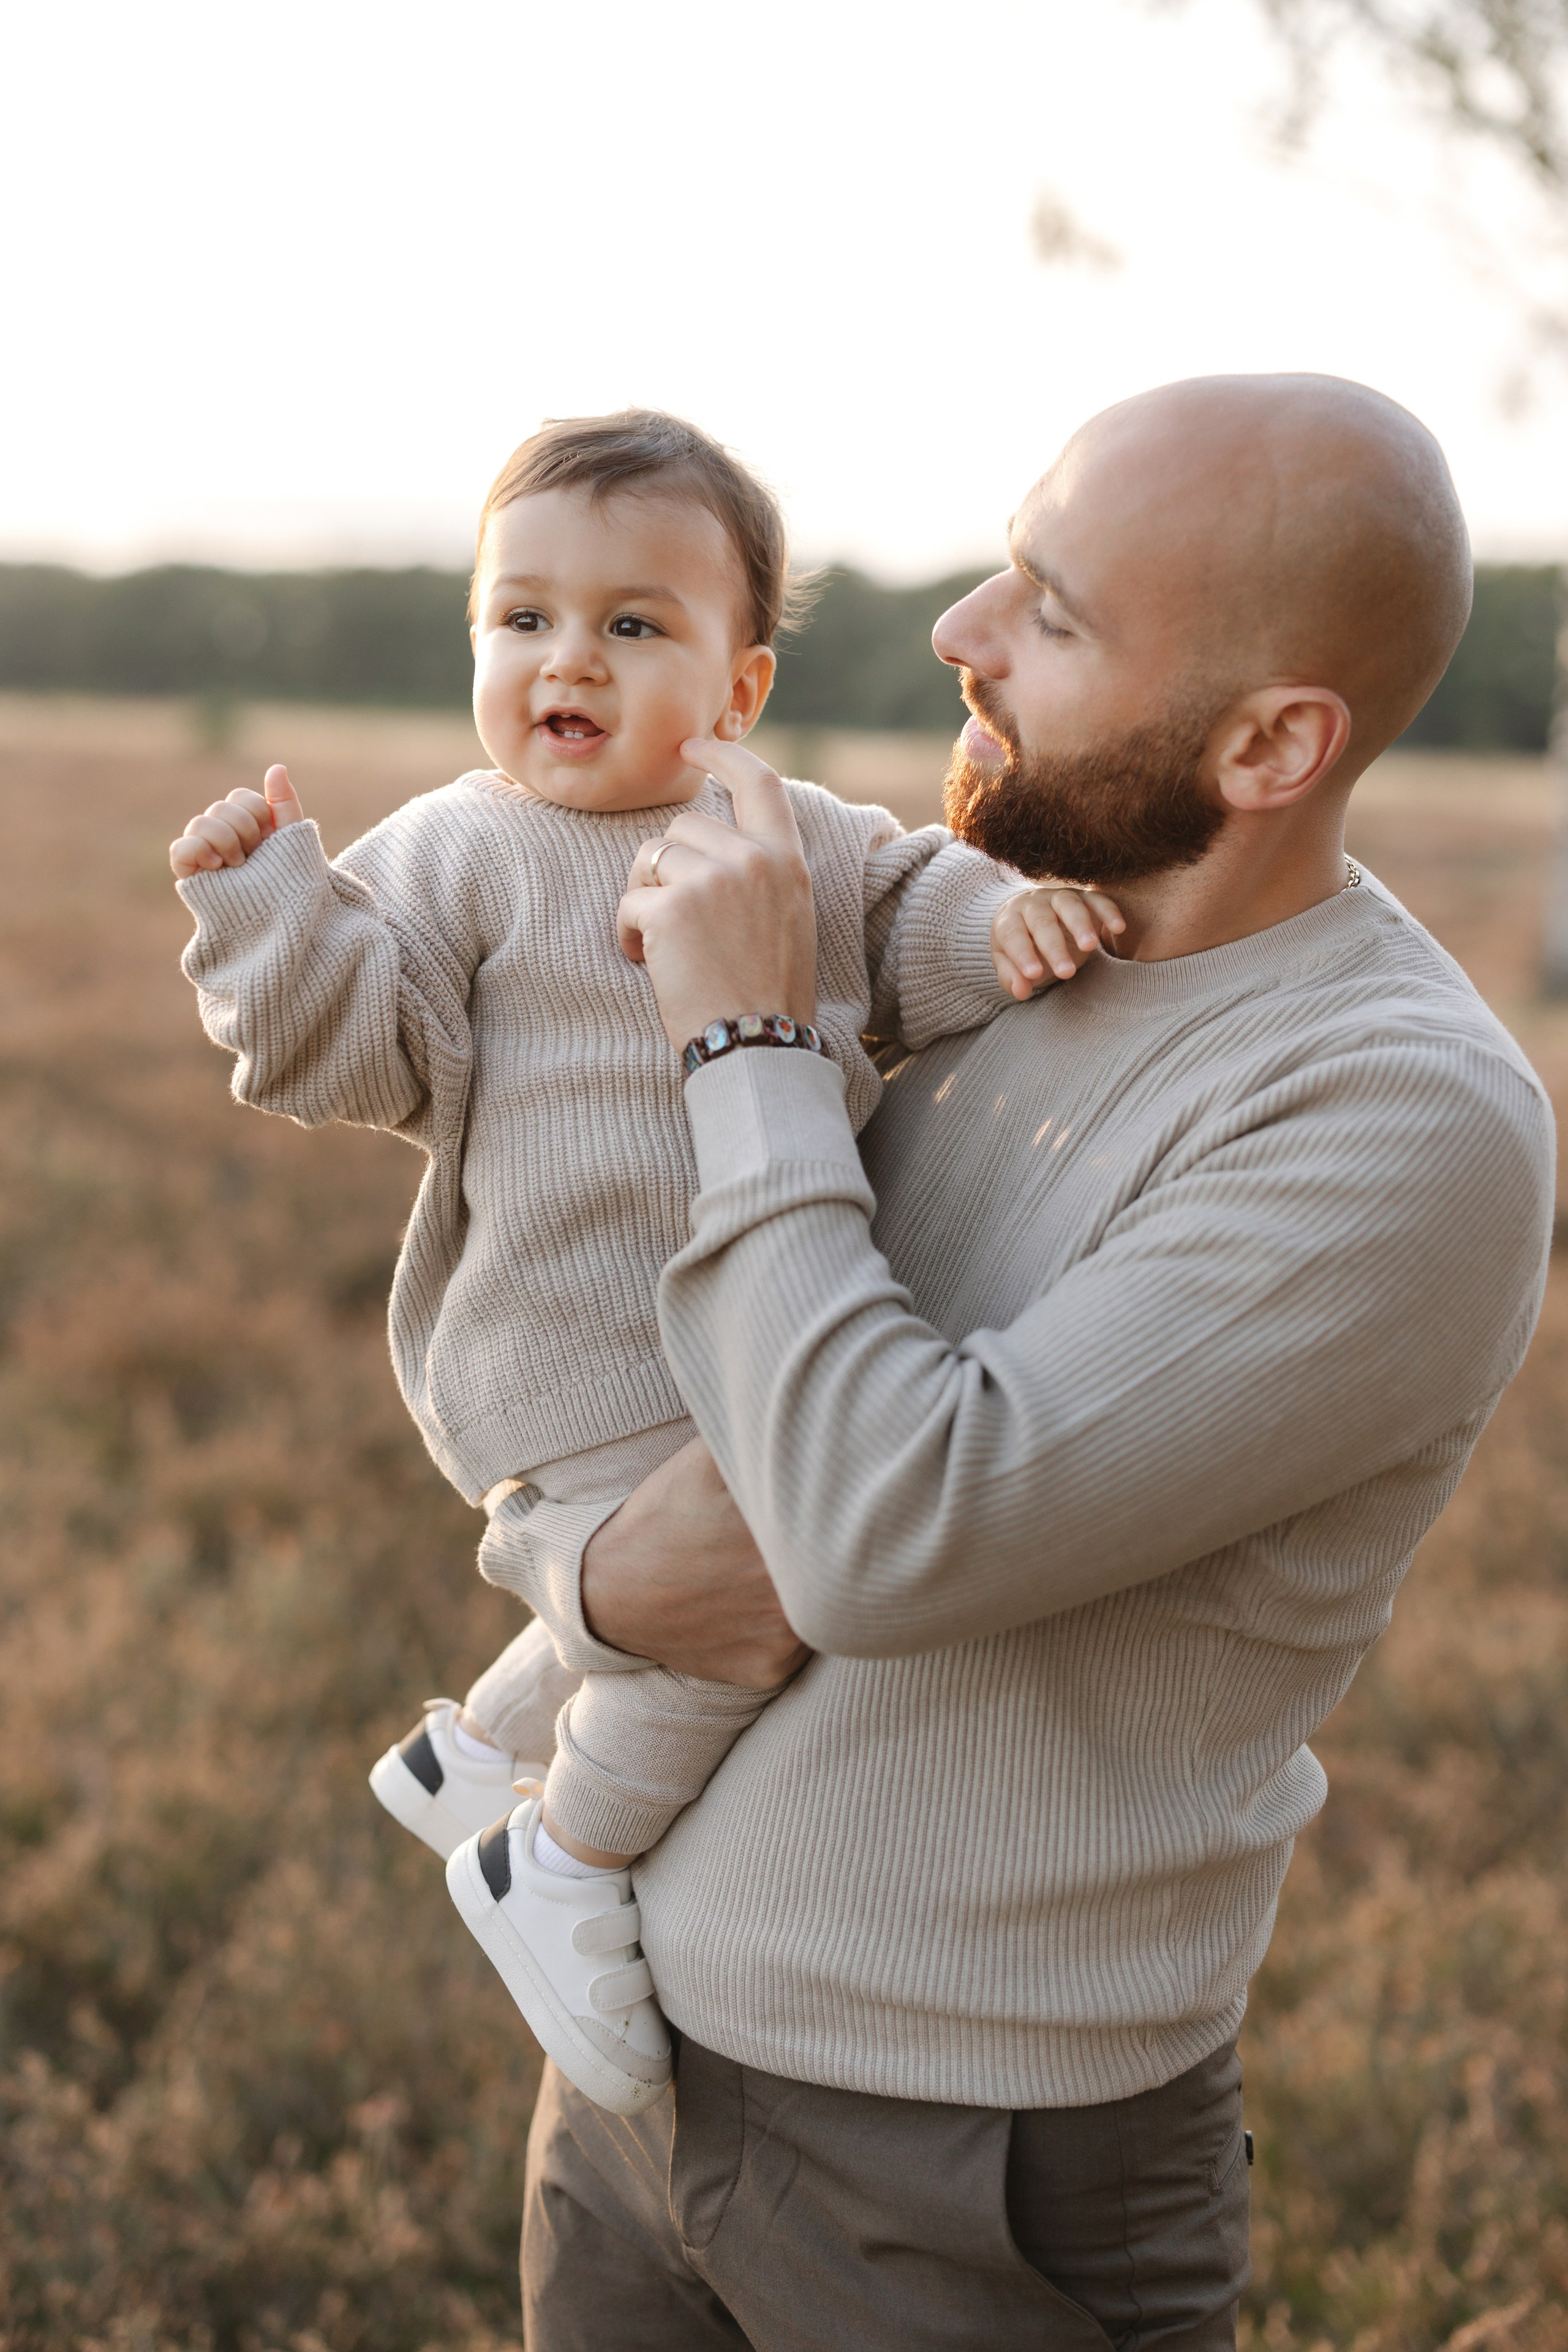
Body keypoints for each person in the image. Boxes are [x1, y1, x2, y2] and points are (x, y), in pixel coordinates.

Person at [503, 374, 1556, 2350]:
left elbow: (881, 1533)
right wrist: (573, 1578)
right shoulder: (1000, 939)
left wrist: (741, 1049)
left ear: (1271, 743)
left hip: (969, 2165)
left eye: (1051, 614)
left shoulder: (1402, 1115)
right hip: (639, 2056)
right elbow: (692, 1414)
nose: (960, 636)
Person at [167, 409, 1120, 2120]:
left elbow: (912, 918)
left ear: (738, 690)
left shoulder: (793, 832)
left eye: (632, 624)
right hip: (568, 1336)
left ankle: (478, 1751)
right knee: (740, 1617)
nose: (568, 662)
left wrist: (1005, 924)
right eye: (522, 618)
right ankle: (563, 1857)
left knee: (724, 1541)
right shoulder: (462, 848)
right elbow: (347, 1054)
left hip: (747, 1324)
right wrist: (267, 916)